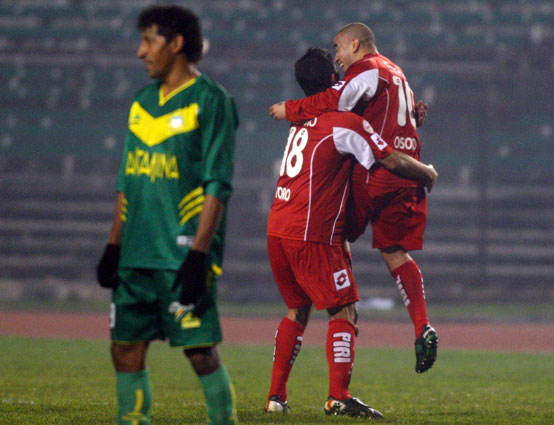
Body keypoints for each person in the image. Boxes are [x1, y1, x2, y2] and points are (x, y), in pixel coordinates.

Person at [265, 47, 437, 419]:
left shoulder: (301, 122)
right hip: (312, 233)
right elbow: (389, 159)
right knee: (345, 310)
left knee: (297, 309)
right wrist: (425, 172)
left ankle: (276, 397)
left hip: (278, 226)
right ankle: (338, 397)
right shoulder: (343, 123)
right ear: (334, 81)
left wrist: (407, 117)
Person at [95, 5, 238, 425]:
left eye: (148, 41)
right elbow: (127, 180)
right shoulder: (141, 102)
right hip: (135, 253)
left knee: (200, 352)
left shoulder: (211, 100)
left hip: (181, 254)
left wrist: (199, 254)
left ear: (176, 43)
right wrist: (113, 244)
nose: (140, 52)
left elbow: (217, 184)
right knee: (124, 347)